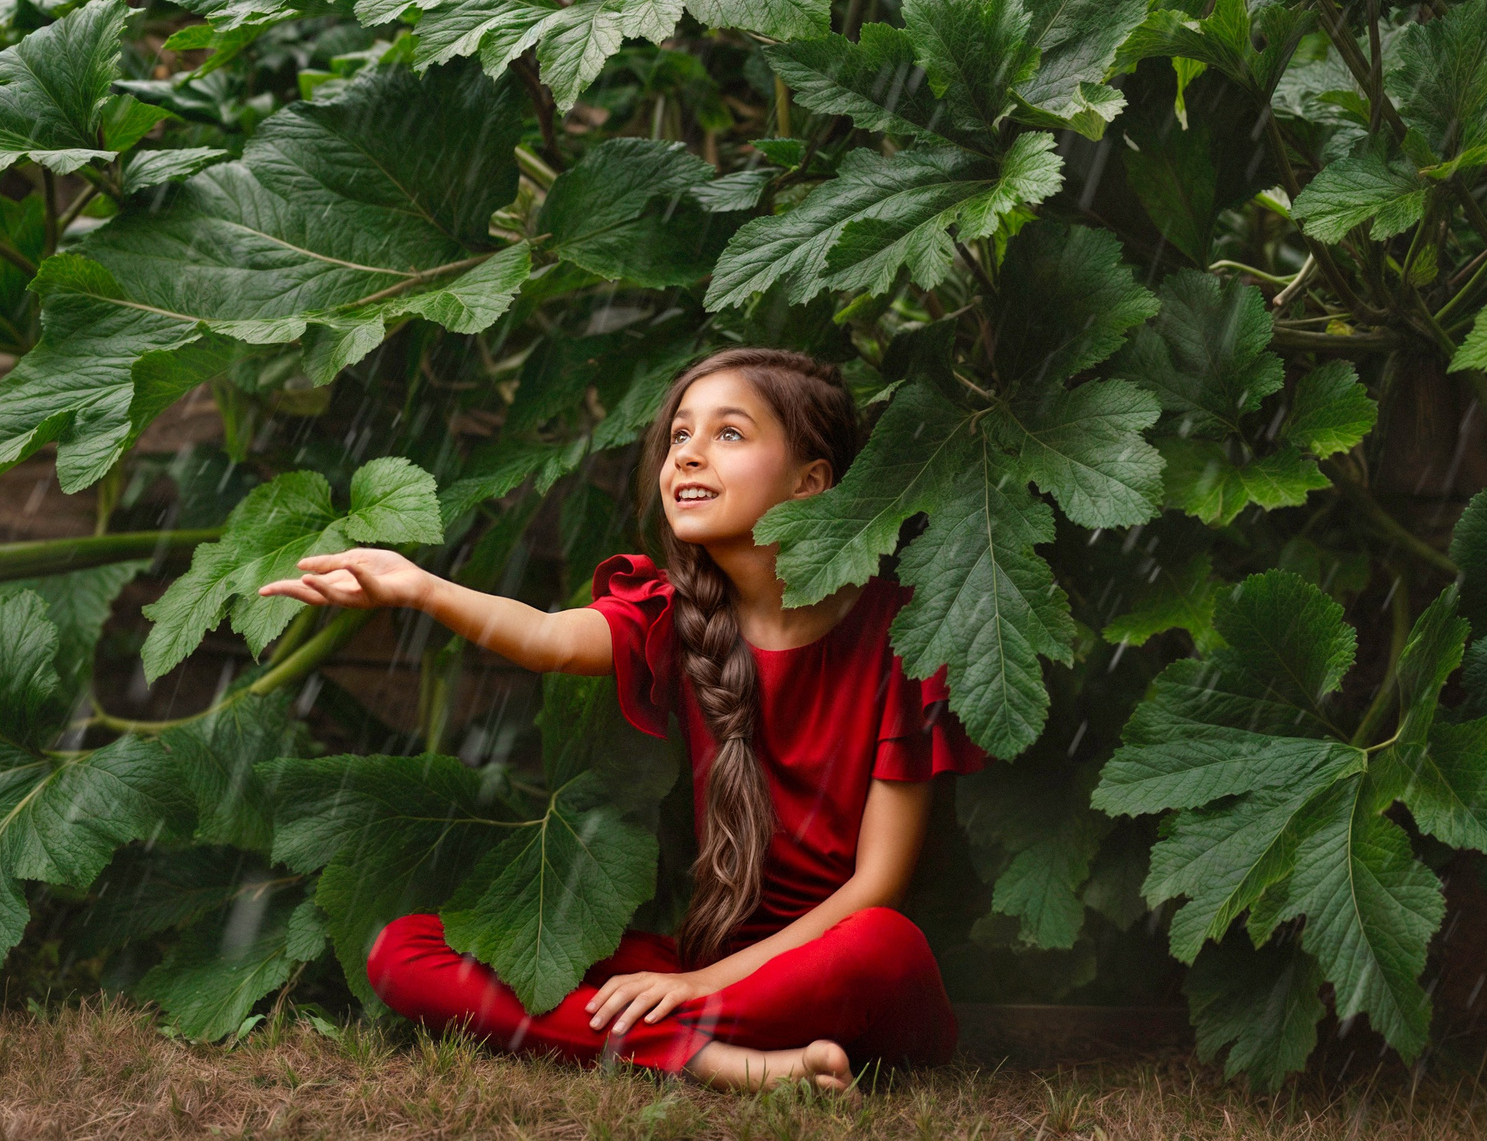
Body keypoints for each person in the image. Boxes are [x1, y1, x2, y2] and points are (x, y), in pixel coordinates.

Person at [258, 347, 984, 1092]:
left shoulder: (905, 636)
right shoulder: (674, 614)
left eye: (728, 434)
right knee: (405, 951)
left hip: (836, 974)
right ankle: (718, 1061)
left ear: (811, 483)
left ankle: (664, 1041)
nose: (689, 455)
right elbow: (545, 637)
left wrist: (706, 987)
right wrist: (419, 588)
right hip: (702, 972)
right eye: (679, 436)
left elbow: (878, 885)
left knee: (885, 942)